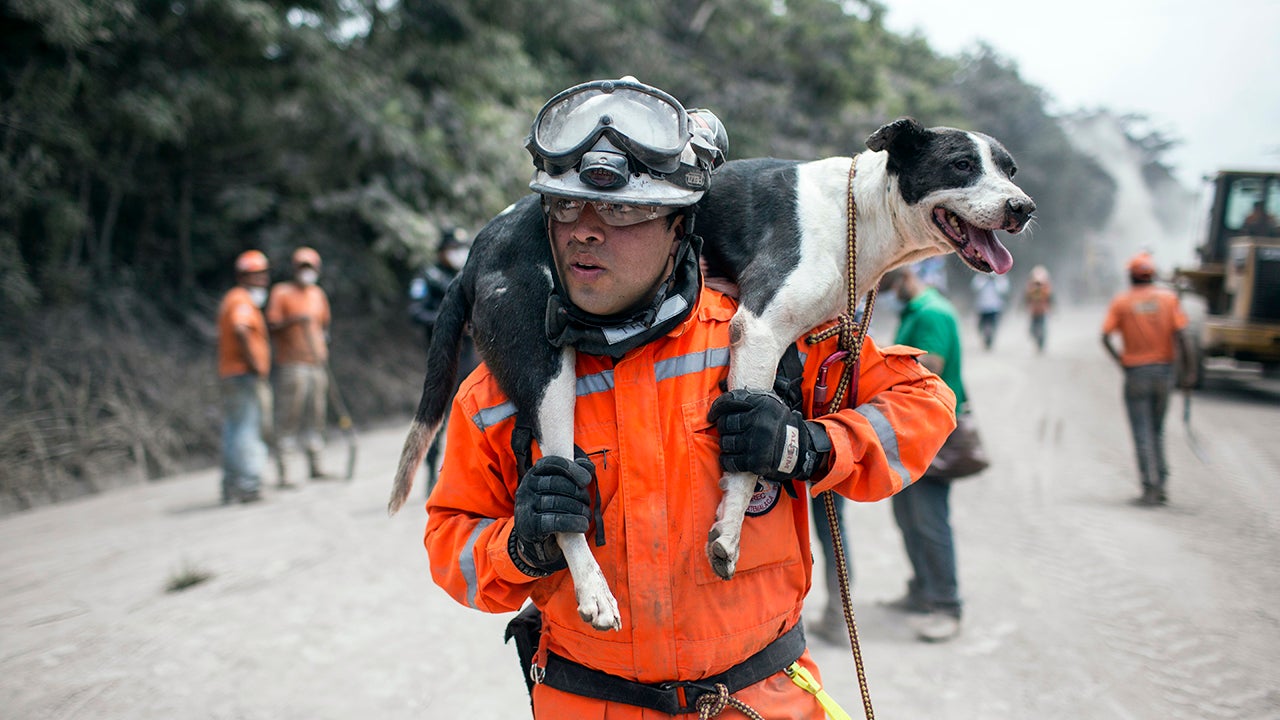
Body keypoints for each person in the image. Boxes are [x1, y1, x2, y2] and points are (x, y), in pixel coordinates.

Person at [423, 77, 957, 718]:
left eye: (622, 211)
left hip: (758, 700)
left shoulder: (773, 336)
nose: (583, 233)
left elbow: (923, 403)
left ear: (681, 224)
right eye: (565, 208)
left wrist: (809, 445)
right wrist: (520, 546)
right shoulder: (504, 389)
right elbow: (450, 544)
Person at [880, 263, 968, 642]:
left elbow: (927, 369)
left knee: (930, 518)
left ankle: (947, 605)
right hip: (913, 428)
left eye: (886, 287)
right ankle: (921, 589)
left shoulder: (931, 313)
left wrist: (877, 367)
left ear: (904, 277)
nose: (884, 296)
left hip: (933, 431)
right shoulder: (916, 310)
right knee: (908, 514)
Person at [1101, 252, 1195, 506]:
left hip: (1136, 373)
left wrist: (1121, 361)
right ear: (1151, 275)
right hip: (1164, 374)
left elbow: (1105, 337)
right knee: (1157, 430)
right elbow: (1184, 338)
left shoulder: (1122, 302)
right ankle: (1161, 484)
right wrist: (1189, 374)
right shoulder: (1169, 299)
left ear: (1130, 276)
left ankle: (1149, 487)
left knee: (1142, 432)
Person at [408, 227, 479, 494]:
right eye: (453, 248)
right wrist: (448, 322)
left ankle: (468, 476)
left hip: (470, 357)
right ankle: (431, 475)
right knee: (436, 418)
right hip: (441, 357)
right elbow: (416, 312)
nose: (457, 253)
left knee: (472, 416)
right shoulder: (428, 277)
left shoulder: (467, 276)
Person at [266, 246, 333, 484]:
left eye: (310, 267)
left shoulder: (318, 295)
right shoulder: (281, 292)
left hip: (317, 363)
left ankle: (316, 465)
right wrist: (294, 321)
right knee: (289, 417)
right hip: (292, 365)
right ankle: (285, 472)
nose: (306, 272)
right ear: (295, 269)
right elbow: (272, 325)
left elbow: (324, 326)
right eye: (302, 267)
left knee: (317, 415)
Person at [216, 250, 273, 504]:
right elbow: (240, 328)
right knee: (248, 429)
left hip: (232, 374)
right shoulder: (241, 300)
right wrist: (255, 365)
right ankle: (249, 485)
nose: (260, 280)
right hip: (244, 375)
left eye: (263, 274)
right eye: (254, 275)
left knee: (234, 429)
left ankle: (230, 486)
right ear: (242, 277)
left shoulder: (234, 298)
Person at [971, 272, 1009, 350]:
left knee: (993, 325)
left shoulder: (999, 277)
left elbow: (1004, 289)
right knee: (981, 326)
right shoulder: (981, 277)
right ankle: (984, 338)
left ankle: (990, 339)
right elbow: (975, 287)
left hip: (995, 307)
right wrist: (985, 279)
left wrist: (995, 281)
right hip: (982, 307)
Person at [1024, 265, 1053, 353]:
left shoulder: (1045, 288)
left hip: (1041, 311)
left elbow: (1050, 299)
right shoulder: (1030, 288)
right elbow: (1026, 298)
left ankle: (1040, 341)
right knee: (1033, 329)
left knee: (1041, 328)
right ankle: (1037, 338)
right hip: (1034, 311)